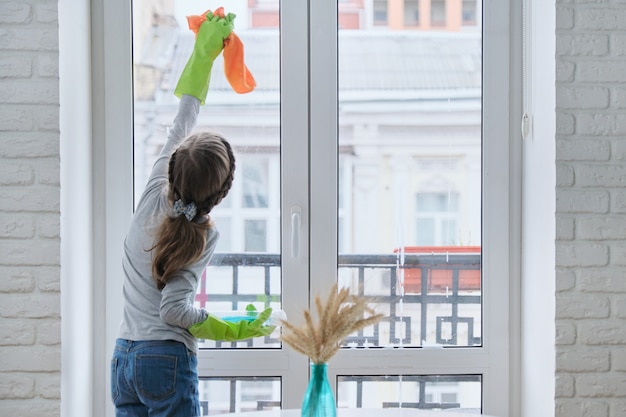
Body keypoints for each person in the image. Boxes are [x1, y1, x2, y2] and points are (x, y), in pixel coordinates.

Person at [110, 9, 269, 417]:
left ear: (172, 166)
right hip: (163, 358)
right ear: (222, 192)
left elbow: (184, 117)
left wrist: (204, 52)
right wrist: (235, 328)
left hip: (124, 357)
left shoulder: (152, 191)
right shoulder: (202, 235)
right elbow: (174, 311)